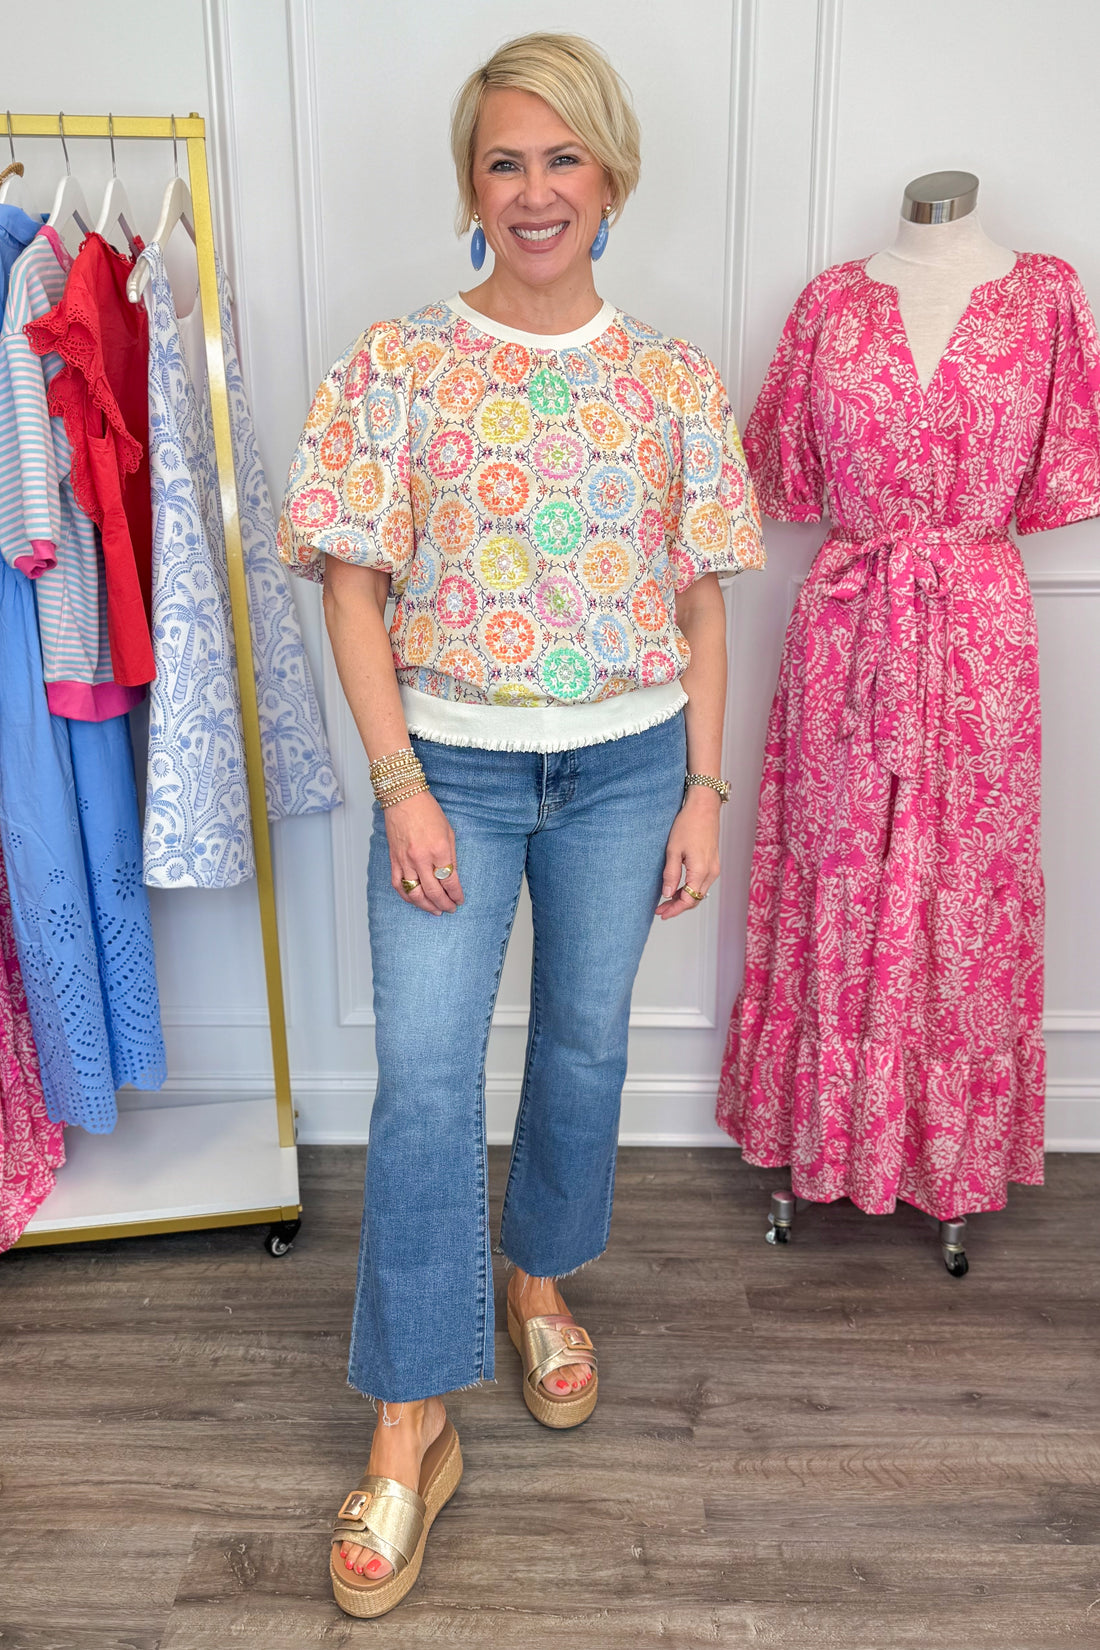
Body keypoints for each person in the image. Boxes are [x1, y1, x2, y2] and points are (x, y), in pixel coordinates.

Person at [279, 31, 764, 1618]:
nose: (536, 190)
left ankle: (536, 1274)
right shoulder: (400, 364)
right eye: (505, 160)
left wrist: (700, 782)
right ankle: (413, 1414)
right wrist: (405, 782)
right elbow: (353, 583)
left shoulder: (672, 377)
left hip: (627, 768)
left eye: (564, 159)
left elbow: (697, 601)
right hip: (460, 775)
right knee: (425, 1076)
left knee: (582, 1046)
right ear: (471, 189)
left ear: (611, 177)